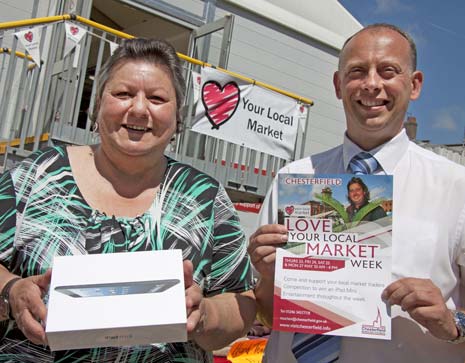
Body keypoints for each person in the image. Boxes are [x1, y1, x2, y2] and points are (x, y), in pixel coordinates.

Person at [0, 38, 256, 362]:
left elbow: (241, 300)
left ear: (178, 117)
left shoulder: (205, 198)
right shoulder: (35, 176)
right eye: (123, 94)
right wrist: (10, 291)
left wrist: (204, 314)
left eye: (157, 98)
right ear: (98, 105)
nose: (138, 108)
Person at [248, 23, 465, 362]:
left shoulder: (456, 187)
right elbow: (267, 312)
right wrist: (268, 274)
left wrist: (453, 323)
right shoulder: (295, 180)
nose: (372, 84)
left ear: (415, 84)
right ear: (338, 85)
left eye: (388, 71)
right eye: (357, 72)